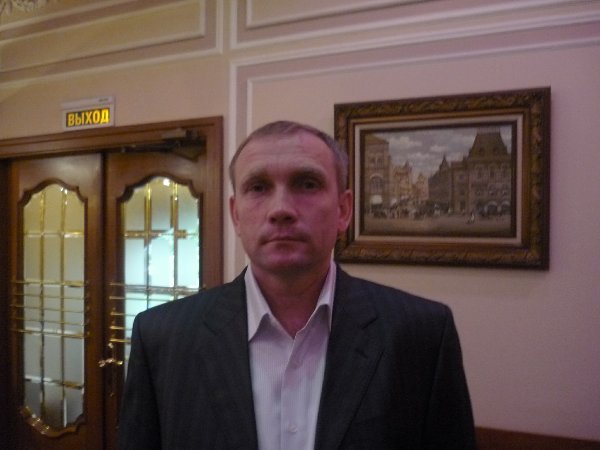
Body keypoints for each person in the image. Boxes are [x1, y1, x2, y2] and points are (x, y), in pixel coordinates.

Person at [118, 120, 476, 449]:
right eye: (258, 187)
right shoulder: (163, 338)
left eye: (307, 184)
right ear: (236, 214)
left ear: (343, 210)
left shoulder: (421, 335)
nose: (281, 209)